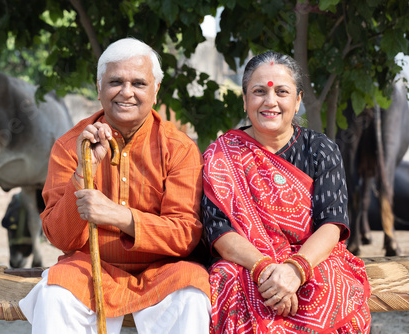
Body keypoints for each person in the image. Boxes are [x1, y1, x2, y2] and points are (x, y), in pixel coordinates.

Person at [19, 37, 211, 334]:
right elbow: (59, 237)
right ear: (99, 88)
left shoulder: (180, 148)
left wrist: (120, 216)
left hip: (163, 273)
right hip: (89, 272)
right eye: (115, 82)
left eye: (138, 83)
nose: (126, 92)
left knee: (192, 295)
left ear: (156, 90)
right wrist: (83, 173)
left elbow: (185, 234)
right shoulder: (71, 146)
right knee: (54, 294)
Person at [202, 51, 371, 333]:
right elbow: (217, 230)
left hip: (310, 258)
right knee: (228, 279)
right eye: (258, 92)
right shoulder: (221, 156)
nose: (270, 101)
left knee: (332, 280)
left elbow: (332, 224)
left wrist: (295, 269)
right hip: (247, 263)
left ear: (298, 100)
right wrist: (265, 269)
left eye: (282, 91)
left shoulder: (320, 149)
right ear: (245, 100)